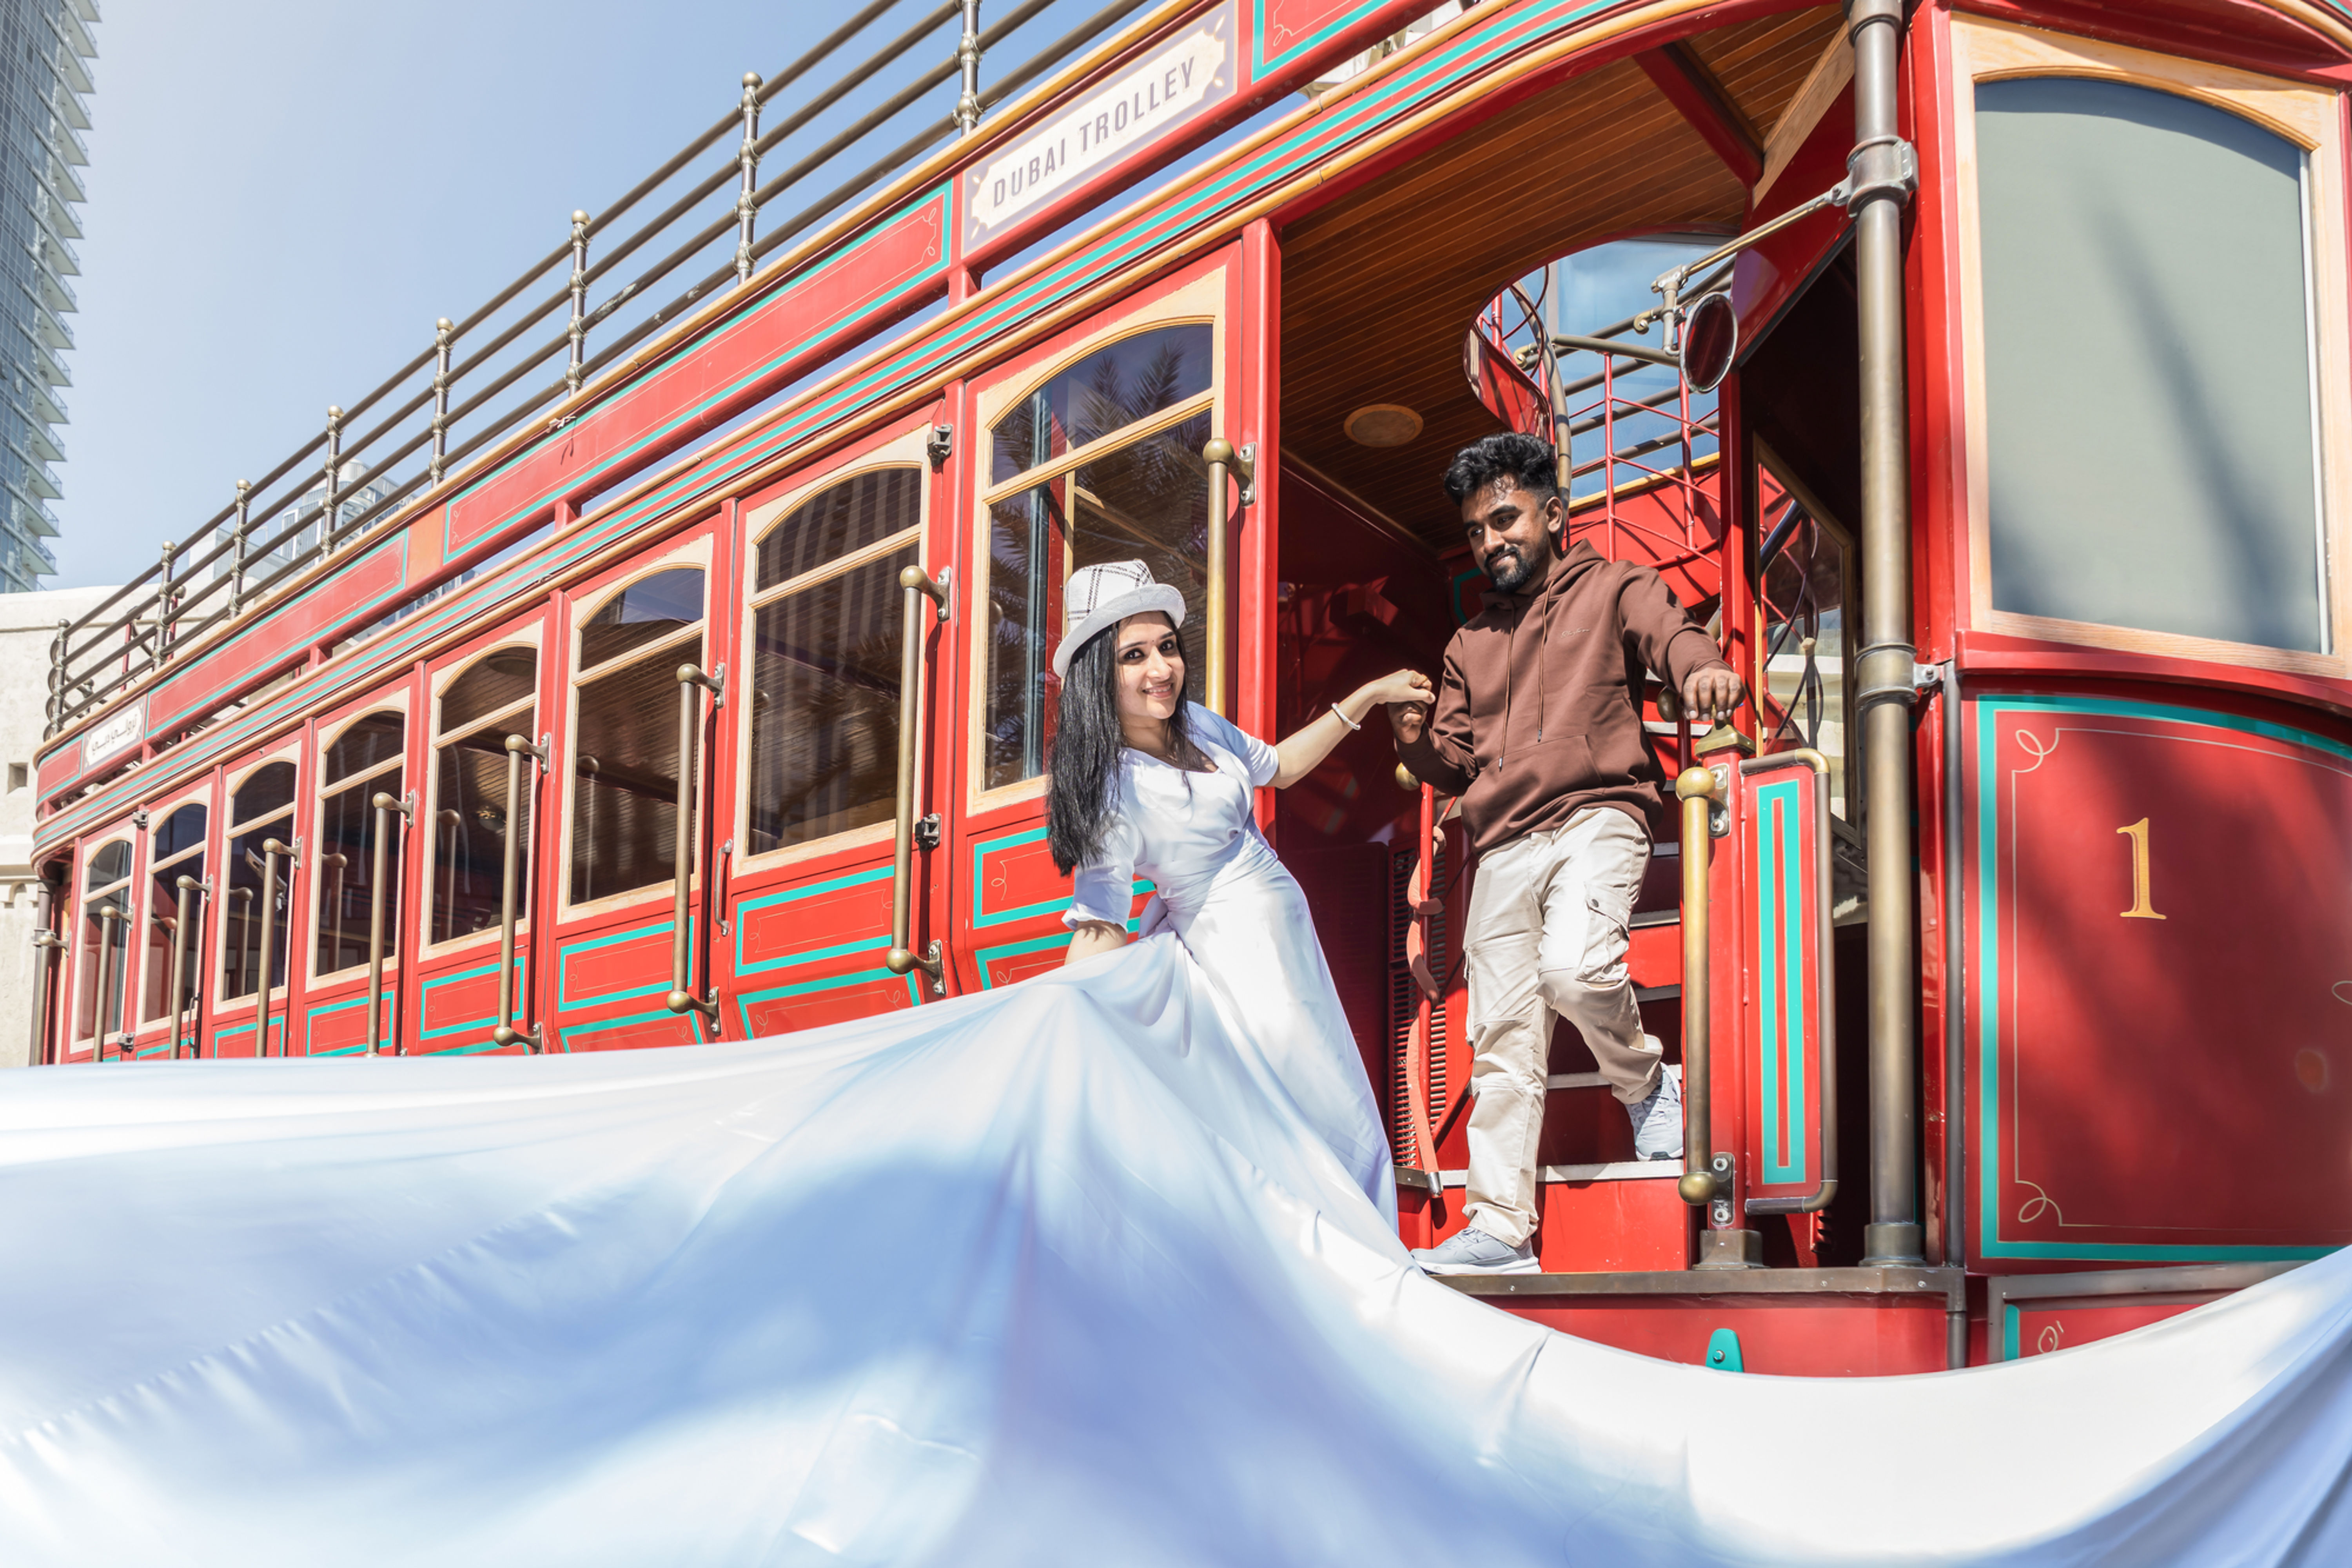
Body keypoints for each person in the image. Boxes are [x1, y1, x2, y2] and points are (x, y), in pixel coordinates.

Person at [1391, 432, 1744, 1276]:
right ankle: (1501, 1227)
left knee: (1577, 971)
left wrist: (1702, 671)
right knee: (1504, 1033)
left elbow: (1674, 634)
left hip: (1598, 811)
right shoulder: (1467, 642)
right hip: (1502, 840)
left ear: (1553, 513)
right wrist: (1415, 741)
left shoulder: (1617, 585)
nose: (1491, 541)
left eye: (1505, 518)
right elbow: (1450, 758)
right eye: (1477, 530)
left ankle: (1648, 1086)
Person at [1051, 558, 1433, 1216]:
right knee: (1315, 1122)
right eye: (1133, 656)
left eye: (1167, 647)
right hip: (1235, 962)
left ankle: (1369, 1263)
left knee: (1345, 1107)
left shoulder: (1197, 723)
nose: (1161, 669)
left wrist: (1367, 697)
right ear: (1094, 676)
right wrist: (1057, 1024)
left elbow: (1279, 769)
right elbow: (1100, 925)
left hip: (1288, 948)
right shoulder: (1113, 790)